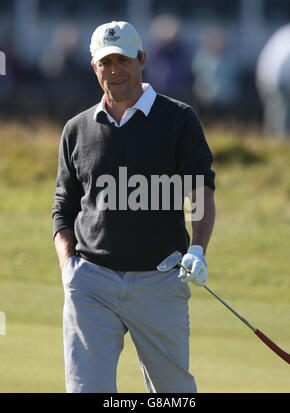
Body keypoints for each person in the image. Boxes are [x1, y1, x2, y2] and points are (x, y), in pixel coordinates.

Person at [52, 20, 216, 393]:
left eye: (123, 60)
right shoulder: (76, 129)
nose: (115, 71)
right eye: (105, 63)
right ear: (95, 68)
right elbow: (63, 204)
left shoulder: (178, 119)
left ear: (141, 59)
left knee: (173, 393)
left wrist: (197, 248)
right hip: (91, 281)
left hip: (161, 279)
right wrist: (68, 266)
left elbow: (201, 189)